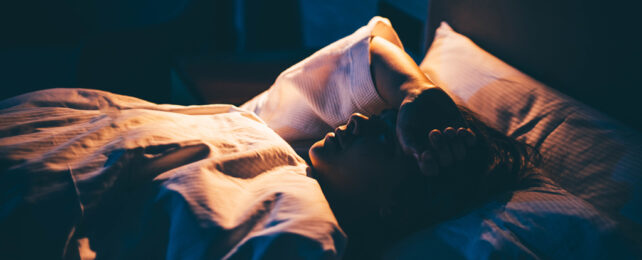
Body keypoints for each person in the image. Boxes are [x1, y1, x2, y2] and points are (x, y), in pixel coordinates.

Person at [0, 17, 539, 259]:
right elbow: (368, 52)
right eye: (380, 119)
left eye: (383, 141)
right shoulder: (283, 145)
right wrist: (417, 94)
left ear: (396, 208)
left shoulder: (302, 232)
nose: (359, 121)